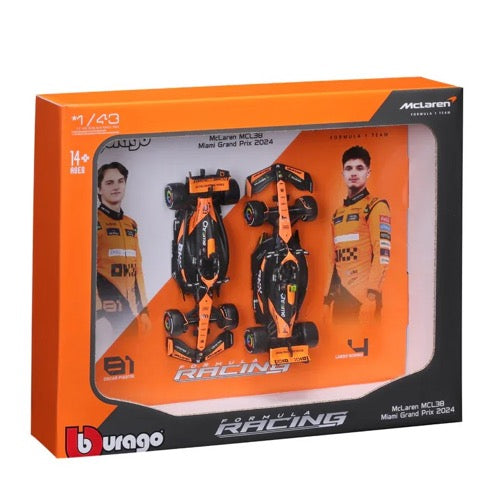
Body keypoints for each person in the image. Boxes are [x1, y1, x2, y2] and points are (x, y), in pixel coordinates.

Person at [324, 146, 391, 320]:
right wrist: (328, 298)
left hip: (365, 299)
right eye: (349, 168)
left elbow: (382, 254)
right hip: (341, 299)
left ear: (368, 173)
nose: (353, 173)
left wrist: (372, 293)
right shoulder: (337, 214)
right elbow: (334, 260)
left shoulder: (376, 206)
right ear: (343, 174)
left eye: (359, 168)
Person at [96, 162, 150, 336]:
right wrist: (98, 313)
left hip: (130, 312)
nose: (116, 187)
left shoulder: (131, 224)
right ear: (99, 189)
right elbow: (85, 271)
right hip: (105, 314)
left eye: (120, 181)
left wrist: (144, 311)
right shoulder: (94, 221)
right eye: (109, 183)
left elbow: (138, 270)